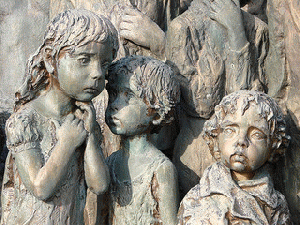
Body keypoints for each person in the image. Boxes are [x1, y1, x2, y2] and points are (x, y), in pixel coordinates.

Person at [1, 9, 118, 224]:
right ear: (50, 59)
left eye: (104, 64)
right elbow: (40, 187)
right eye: (84, 60)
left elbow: (99, 185)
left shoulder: (83, 118)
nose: (98, 73)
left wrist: (91, 136)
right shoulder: (25, 122)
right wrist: (66, 144)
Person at [166, 0, 269, 196]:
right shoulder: (182, 27)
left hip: (246, 152)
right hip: (198, 153)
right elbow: (199, 104)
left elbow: (250, 105)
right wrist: (232, 36)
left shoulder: (258, 29)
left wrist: (236, 33)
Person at [177, 90, 292, 224]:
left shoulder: (277, 205)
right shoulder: (199, 198)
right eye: (230, 130)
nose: (241, 141)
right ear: (216, 137)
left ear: (273, 146)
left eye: (256, 135)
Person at [102, 55, 180, 224]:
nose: (115, 104)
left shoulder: (161, 169)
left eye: (128, 96)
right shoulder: (110, 163)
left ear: (157, 113)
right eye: (113, 93)